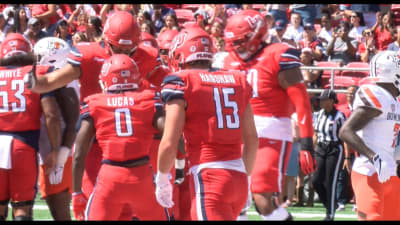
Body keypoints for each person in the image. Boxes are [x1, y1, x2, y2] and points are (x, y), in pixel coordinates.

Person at [23, 11, 168, 220]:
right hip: (95, 140)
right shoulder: (89, 55)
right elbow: (52, 80)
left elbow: (175, 85)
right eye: (117, 48)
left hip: (135, 145)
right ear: (106, 40)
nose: (123, 54)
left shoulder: (146, 57)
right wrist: (32, 81)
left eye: (129, 51)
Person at [155, 27, 259, 220]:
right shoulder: (237, 79)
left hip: (209, 176)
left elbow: (169, 142)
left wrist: (162, 180)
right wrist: (247, 177)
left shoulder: (182, 80)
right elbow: (252, 140)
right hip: (238, 178)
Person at [221, 9, 316, 220]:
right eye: (234, 41)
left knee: (263, 199)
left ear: (258, 33)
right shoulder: (229, 61)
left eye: (242, 40)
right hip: (238, 134)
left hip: (271, 131)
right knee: (234, 200)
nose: (237, 46)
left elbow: (301, 101)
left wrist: (307, 142)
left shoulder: (278, 54)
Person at [73, 54, 168, 220]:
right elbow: (170, 136)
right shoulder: (148, 99)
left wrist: (76, 192)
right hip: (142, 175)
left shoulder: (96, 102)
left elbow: (79, 153)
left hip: (110, 177)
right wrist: (176, 167)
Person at [0, 33, 61, 221]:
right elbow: (51, 115)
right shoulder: (38, 72)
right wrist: (56, 149)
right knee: (22, 210)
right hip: (23, 146)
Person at [339, 50, 400, 221]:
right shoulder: (377, 95)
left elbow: (387, 141)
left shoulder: (394, 100)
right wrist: (375, 157)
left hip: (389, 172)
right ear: (391, 72)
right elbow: (346, 131)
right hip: (369, 170)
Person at [34, 37, 80, 221]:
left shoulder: (62, 80)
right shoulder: (59, 76)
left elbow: (72, 121)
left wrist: (61, 155)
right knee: (55, 205)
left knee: (59, 209)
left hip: (58, 152)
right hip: (52, 150)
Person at [312, 89, 347, 221]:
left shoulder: (339, 116)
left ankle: (330, 214)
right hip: (320, 148)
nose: (321, 102)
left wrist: (347, 157)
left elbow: (345, 136)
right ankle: (330, 204)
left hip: (334, 149)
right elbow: (315, 133)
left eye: (324, 100)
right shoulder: (318, 115)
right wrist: (311, 151)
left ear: (332, 101)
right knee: (315, 181)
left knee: (330, 181)